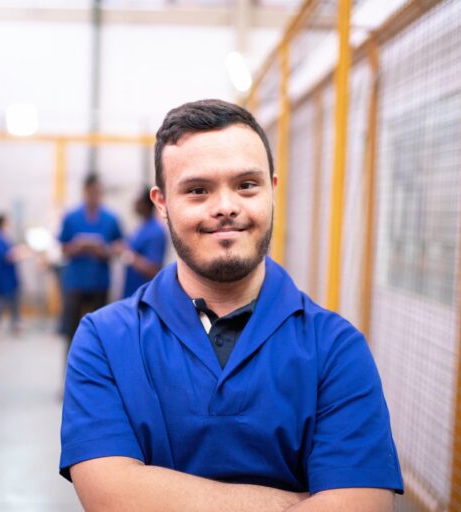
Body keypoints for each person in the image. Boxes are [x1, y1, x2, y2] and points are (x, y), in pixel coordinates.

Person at [59, 99, 404, 511]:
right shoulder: (104, 340)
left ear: (272, 190)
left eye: (246, 185)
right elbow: (112, 498)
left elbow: (363, 505)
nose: (225, 206)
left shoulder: (336, 348)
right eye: (197, 190)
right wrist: (295, 502)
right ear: (162, 203)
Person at [57, 174, 123, 349]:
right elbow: (62, 247)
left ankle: (98, 372)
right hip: (75, 283)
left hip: (99, 283)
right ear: (85, 191)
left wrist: (103, 250)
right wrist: (77, 247)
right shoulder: (71, 218)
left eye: (98, 192)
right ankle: (72, 371)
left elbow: (119, 246)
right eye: (91, 192)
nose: (94, 195)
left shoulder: (110, 218)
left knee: (100, 332)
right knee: (72, 332)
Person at [120, 187, 167, 298]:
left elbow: (154, 269)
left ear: (146, 204)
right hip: (131, 293)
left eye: (138, 200)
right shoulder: (141, 227)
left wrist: (128, 256)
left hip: (144, 296)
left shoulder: (156, 231)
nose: (134, 203)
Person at [0, 213, 27, 336]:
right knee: (1, 302)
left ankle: (16, 324)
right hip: (3, 277)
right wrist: (18, 253)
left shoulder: (5, 238)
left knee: (15, 301)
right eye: (7, 222)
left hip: (10, 277)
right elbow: (6, 256)